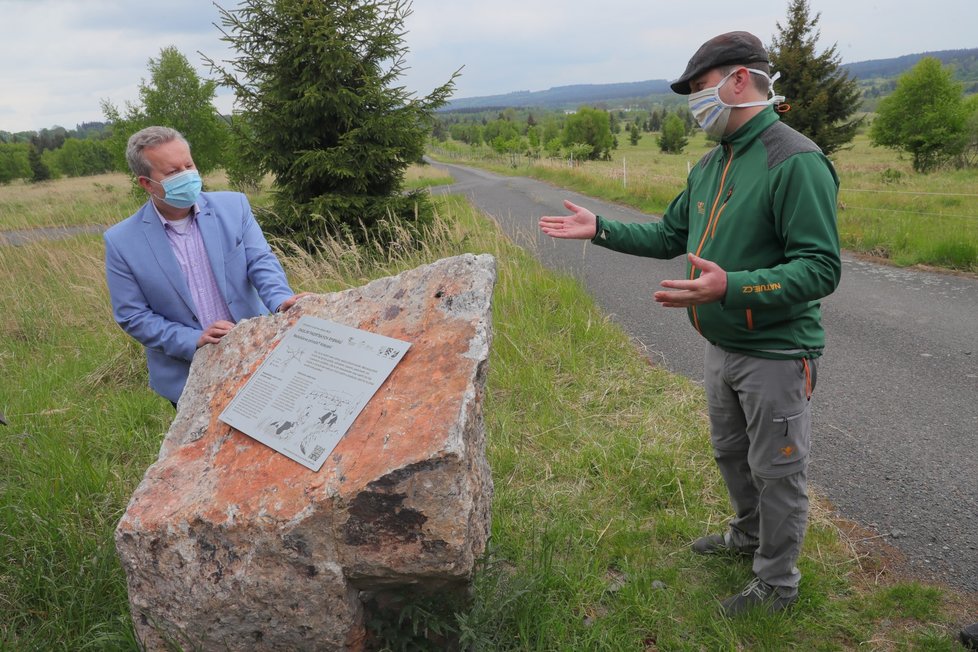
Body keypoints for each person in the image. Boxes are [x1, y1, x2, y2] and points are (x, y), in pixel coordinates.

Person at [539, 31, 841, 616]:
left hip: (776, 351)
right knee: (732, 453)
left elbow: (821, 268)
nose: (695, 105)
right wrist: (600, 227)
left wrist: (734, 285)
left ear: (738, 81)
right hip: (721, 345)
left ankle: (777, 583)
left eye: (699, 90)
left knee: (778, 471)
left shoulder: (796, 161)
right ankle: (748, 536)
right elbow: (668, 235)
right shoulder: (711, 164)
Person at [105, 126, 305, 407]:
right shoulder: (121, 241)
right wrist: (193, 338)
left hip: (257, 353)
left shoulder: (234, 207)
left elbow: (260, 262)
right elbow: (132, 315)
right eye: (173, 172)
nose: (186, 175)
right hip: (188, 376)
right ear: (147, 183)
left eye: (189, 165)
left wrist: (281, 299)